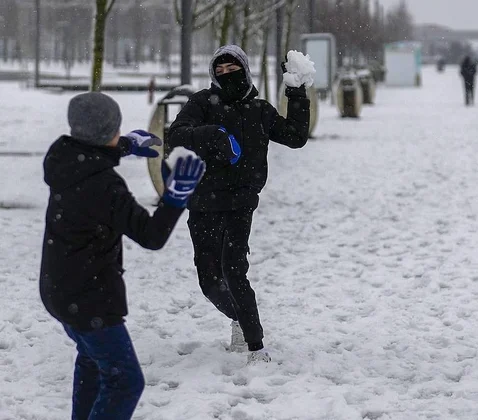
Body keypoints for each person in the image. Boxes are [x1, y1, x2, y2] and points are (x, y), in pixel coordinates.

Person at [40, 92, 206, 419]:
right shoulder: (105, 186)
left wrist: (125, 144)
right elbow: (151, 235)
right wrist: (176, 198)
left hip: (58, 290)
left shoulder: (62, 158)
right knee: (126, 382)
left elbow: (90, 150)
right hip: (90, 299)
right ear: (107, 131)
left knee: (91, 360)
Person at [167, 45, 310, 364]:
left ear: (244, 71)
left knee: (234, 270)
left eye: (232, 70)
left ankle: (256, 347)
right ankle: (239, 318)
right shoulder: (202, 103)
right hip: (203, 201)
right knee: (209, 281)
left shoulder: (260, 109)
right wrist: (212, 135)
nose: (226, 76)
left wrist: (296, 93)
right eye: (219, 71)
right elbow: (176, 136)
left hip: (241, 202)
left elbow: (295, 136)